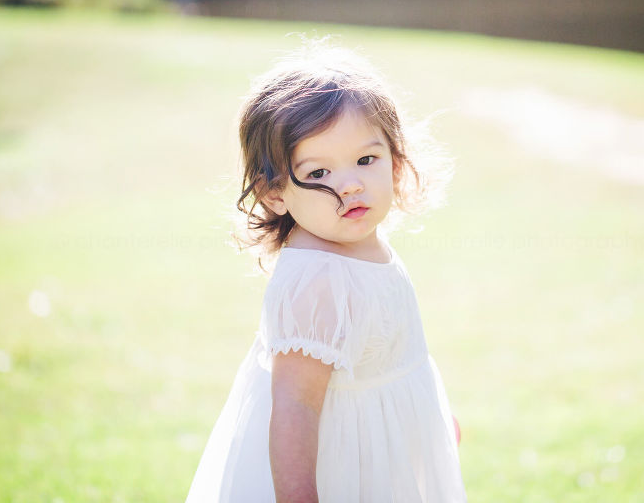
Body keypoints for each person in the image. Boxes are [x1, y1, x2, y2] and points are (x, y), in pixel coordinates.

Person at [185, 40, 467, 502]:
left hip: (385, 447)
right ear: (275, 193)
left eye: (365, 160)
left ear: (394, 158)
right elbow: (294, 407)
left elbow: (394, 350)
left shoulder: (359, 242)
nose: (350, 183)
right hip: (339, 466)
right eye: (318, 174)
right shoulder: (318, 280)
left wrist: (429, 417)